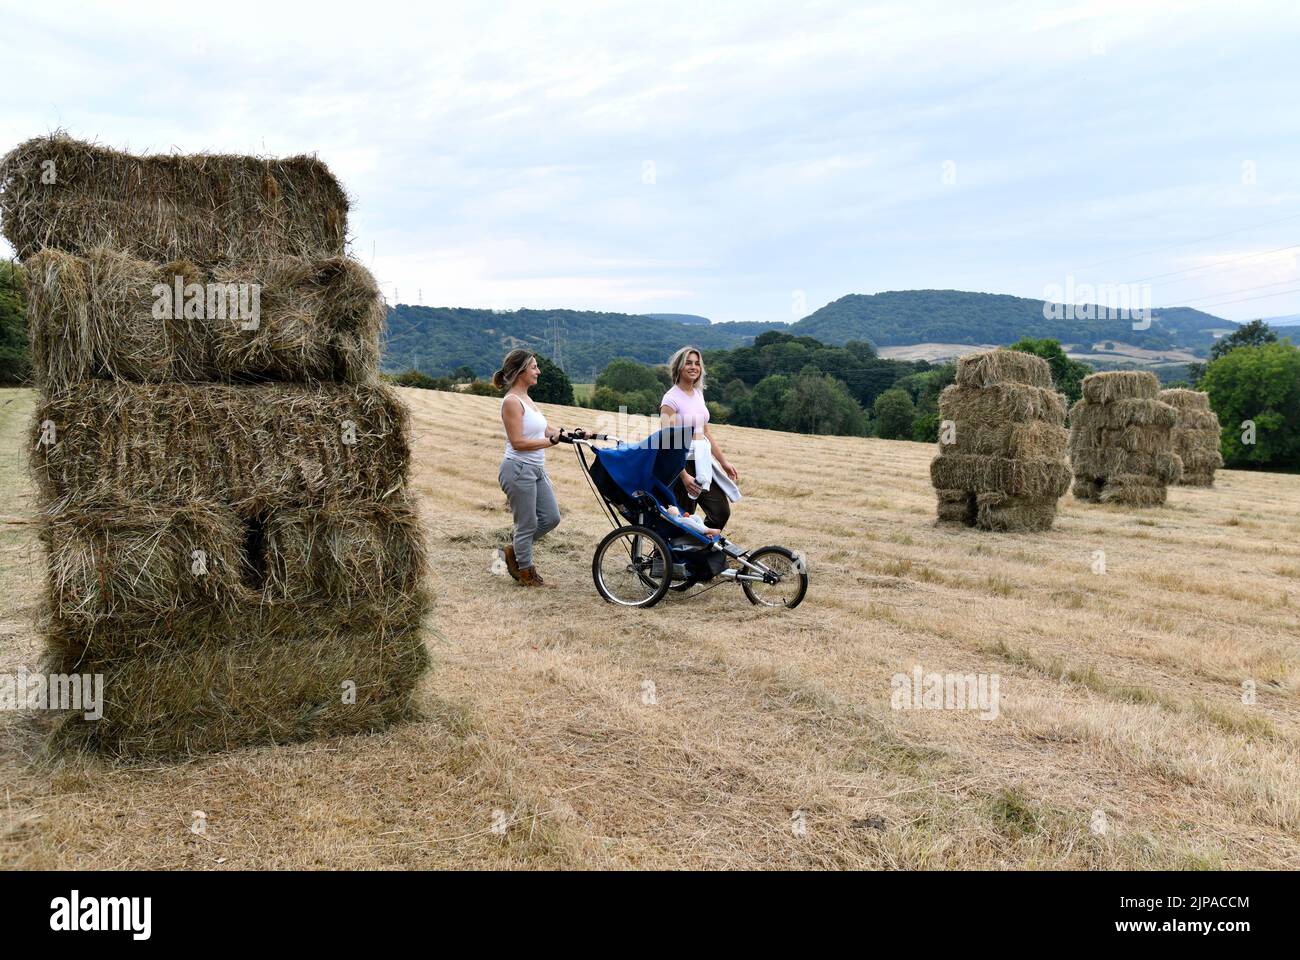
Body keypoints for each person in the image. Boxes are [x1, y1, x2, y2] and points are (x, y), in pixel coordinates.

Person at [494, 349, 564, 587]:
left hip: (535, 469)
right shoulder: (511, 402)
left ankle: (512, 550)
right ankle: (526, 574)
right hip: (518, 469)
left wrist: (568, 434)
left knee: (551, 517)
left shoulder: (527, 399)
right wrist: (550, 442)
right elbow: (518, 442)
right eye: (534, 367)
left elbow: (545, 429)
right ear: (521, 371)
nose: (538, 371)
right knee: (527, 524)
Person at [659, 346, 739, 531]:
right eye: (688, 363)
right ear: (679, 367)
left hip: (702, 461)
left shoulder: (698, 394)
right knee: (682, 517)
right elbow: (667, 441)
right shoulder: (670, 399)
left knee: (720, 512)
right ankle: (663, 558)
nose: (694, 367)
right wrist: (685, 477)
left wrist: (724, 462)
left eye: (697, 363)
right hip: (681, 464)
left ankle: (698, 547)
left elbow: (706, 433)